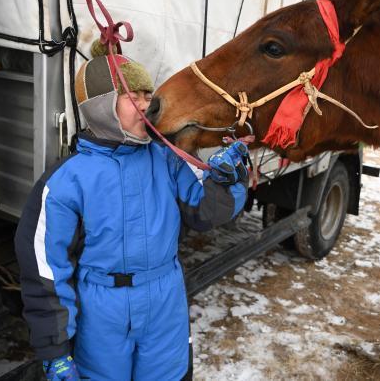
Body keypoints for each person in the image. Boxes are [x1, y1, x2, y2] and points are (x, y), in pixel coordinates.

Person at [14, 41, 249, 381]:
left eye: (147, 94)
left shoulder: (167, 159)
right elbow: (45, 271)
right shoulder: (67, 180)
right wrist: (55, 350)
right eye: (132, 96)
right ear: (101, 107)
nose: (146, 105)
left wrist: (227, 180)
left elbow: (207, 213)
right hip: (101, 313)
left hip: (165, 303)